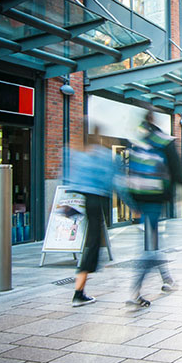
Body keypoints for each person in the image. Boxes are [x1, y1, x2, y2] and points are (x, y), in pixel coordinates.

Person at [127, 111, 182, 307]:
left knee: (153, 239)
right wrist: (175, 196)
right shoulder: (164, 141)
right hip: (155, 199)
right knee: (150, 246)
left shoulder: (138, 141)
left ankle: (168, 280)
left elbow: (130, 172)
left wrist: (133, 202)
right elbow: (177, 171)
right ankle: (135, 292)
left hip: (140, 199)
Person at [68, 129, 115, 307]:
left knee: (92, 243)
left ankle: (80, 290)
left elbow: (72, 179)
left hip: (85, 201)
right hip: (97, 201)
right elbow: (114, 181)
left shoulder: (80, 154)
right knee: (93, 245)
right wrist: (132, 204)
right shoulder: (102, 156)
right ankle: (78, 293)